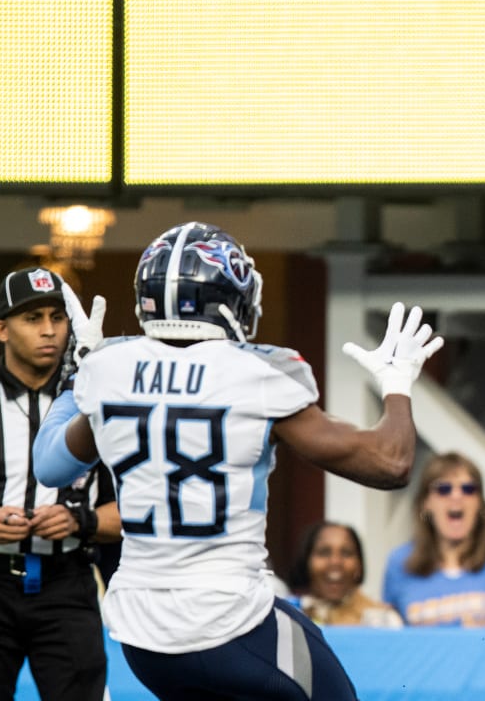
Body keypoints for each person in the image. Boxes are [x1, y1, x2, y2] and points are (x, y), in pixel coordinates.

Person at [31, 222, 443, 700]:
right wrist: (396, 384)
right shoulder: (257, 372)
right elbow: (391, 464)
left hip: (140, 633)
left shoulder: (108, 369)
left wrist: (75, 375)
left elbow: (50, 465)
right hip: (225, 619)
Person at [0, 267, 122, 701]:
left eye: (58, 316)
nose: (49, 331)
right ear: (1, 328)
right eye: (33, 319)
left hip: (67, 582)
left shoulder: (95, 402)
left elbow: (132, 508)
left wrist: (78, 520)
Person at [382, 451, 485, 627]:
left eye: (468, 489)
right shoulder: (399, 563)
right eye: (443, 489)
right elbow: (391, 642)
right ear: (425, 503)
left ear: (480, 503)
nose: (456, 496)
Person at [287, 521, 403, 627]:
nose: (335, 562)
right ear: (306, 561)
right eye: (324, 552)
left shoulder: (382, 620)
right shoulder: (288, 617)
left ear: (359, 565)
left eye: (346, 553)